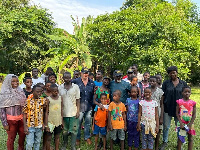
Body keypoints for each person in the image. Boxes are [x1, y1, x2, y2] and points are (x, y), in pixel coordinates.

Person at [160, 66, 187, 150]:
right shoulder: (166, 83)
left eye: (174, 72)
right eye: (170, 73)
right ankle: (165, 141)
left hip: (179, 110)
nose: (172, 74)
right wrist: (162, 106)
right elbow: (162, 96)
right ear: (169, 74)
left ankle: (179, 144)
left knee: (179, 126)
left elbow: (186, 95)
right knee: (166, 126)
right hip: (167, 108)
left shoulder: (183, 83)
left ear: (177, 72)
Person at [0, 74, 26, 150]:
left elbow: (24, 107)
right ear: (8, 82)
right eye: (13, 81)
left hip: (21, 120)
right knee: (11, 139)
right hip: (10, 121)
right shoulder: (4, 94)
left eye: (17, 81)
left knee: (22, 138)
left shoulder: (20, 91)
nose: (16, 83)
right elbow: (2, 110)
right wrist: (5, 123)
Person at [72, 68, 95, 146]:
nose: (86, 74)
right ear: (81, 73)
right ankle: (77, 138)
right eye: (84, 73)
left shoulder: (92, 82)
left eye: (87, 73)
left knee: (87, 123)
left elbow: (93, 94)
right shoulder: (75, 81)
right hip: (79, 106)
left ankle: (87, 137)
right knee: (78, 123)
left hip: (89, 106)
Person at [59, 72, 80, 150]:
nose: (67, 79)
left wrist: (78, 111)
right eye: (65, 78)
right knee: (65, 130)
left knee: (74, 130)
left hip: (73, 112)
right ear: (63, 78)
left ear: (71, 78)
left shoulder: (75, 87)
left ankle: (73, 146)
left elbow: (78, 100)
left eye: (69, 77)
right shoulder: (60, 87)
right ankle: (64, 144)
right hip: (64, 113)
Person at [23, 84, 48, 150]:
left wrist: (44, 124)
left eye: (40, 92)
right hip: (30, 126)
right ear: (33, 92)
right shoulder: (28, 102)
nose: (39, 93)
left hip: (39, 126)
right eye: (37, 92)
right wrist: (25, 126)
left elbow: (45, 112)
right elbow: (24, 114)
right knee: (29, 143)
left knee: (37, 142)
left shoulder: (43, 101)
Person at [45, 84, 63, 150]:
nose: (56, 92)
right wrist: (46, 125)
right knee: (48, 138)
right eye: (54, 91)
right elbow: (46, 112)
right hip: (50, 122)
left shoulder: (60, 98)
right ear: (51, 91)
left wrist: (62, 121)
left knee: (57, 137)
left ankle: (57, 148)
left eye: (57, 91)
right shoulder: (48, 99)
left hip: (58, 121)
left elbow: (61, 110)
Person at [149, 76, 164, 150]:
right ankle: (149, 145)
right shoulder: (147, 90)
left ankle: (156, 146)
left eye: (153, 81)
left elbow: (161, 104)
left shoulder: (160, 91)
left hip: (158, 112)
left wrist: (161, 117)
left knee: (158, 130)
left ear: (156, 82)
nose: (152, 83)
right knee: (150, 129)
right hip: (149, 113)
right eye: (150, 81)